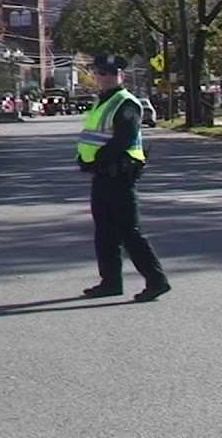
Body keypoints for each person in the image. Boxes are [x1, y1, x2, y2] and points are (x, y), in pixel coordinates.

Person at [77, 54, 170, 303]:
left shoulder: (125, 102)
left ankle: (156, 280)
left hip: (119, 174)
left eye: (109, 73)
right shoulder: (101, 101)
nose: (103, 77)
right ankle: (110, 281)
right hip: (102, 175)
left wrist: (97, 160)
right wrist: (84, 159)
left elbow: (123, 139)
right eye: (100, 73)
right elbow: (94, 135)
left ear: (120, 76)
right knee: (104, 232)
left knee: (129, 231)